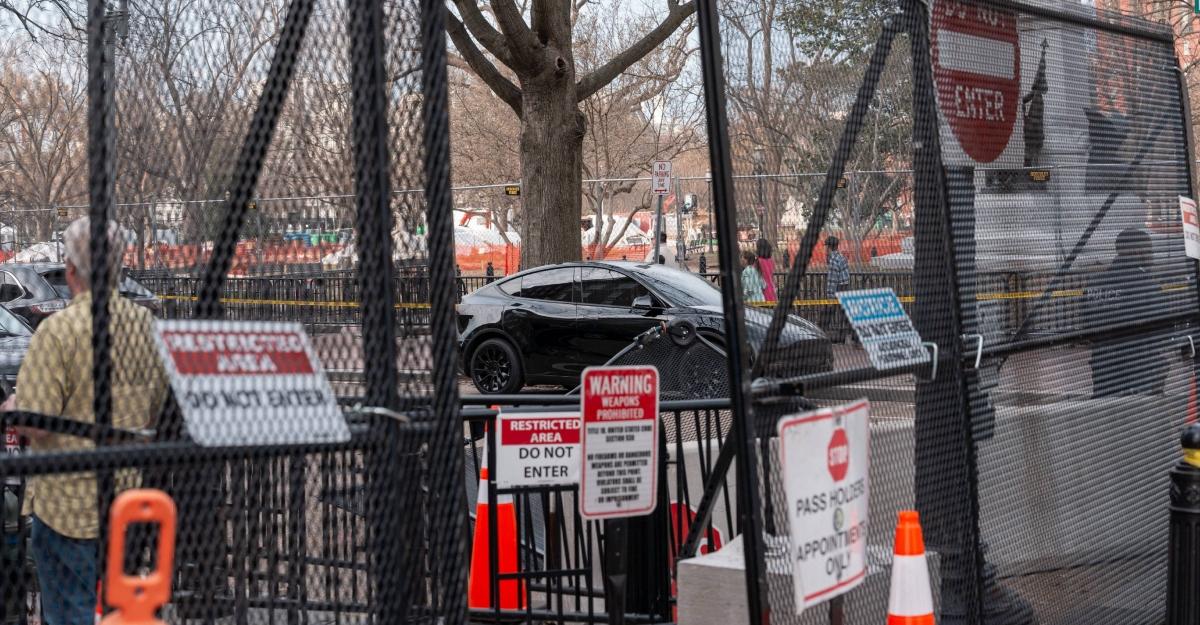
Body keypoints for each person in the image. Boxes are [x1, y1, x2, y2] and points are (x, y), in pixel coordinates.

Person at [11, 217, 168, 625]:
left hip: (67, 505)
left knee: (71, 612)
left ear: (71, 270)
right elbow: (154, 410)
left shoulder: (58, 332)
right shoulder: (146, 327)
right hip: (128, 497)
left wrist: (13, 407)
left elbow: (35, 422)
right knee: (120, 610)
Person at [1086, 227, 1168, 397]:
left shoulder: (1095, 284)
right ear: (1139, 251)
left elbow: (1086, 324)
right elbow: (1161, 331)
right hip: (1139, 367)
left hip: (1103, 364)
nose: (1152, 255)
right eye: (1149, 250)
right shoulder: (1147, 286)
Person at [824, 236, 851, 341]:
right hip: (845, 286)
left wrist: (830, 297)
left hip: (838, 288)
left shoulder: (833, 261)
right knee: (844, 313)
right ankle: (845, 336)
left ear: (829, 247)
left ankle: (822, 335)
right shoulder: (840, 257)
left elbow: (832, 281)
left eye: (826, 247)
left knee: (829, 311)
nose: (825, 250)